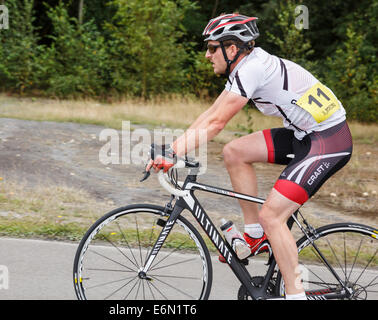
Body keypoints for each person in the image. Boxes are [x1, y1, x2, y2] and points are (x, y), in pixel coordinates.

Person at [145, 13, 353, 300]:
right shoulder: (247, 66)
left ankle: (295, 295)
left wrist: (174, 152)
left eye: (212, 48)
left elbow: (217, 124)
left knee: (273, 215)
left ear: (232, 49)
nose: (207, 55)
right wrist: (173, 150)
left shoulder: (251, 69)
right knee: (235, 152)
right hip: (304, 134)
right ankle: (255, 236)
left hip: (329, 140)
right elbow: (210, 115)